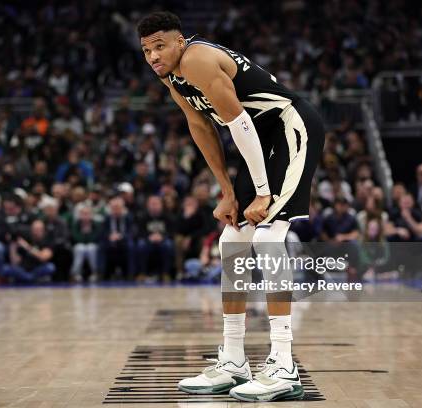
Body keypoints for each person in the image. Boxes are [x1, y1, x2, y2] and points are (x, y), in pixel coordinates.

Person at [137, 11, 324, 401]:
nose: (153, 56)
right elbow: (201, 128)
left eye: (159, 46)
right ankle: (235, 359)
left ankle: (284, 364)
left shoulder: (197, 60)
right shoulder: (174, 80)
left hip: (289, 126)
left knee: (270, 237)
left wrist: (259, 192)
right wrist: (227, 192)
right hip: (258, 141)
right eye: (146, 50)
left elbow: (238, 122)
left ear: (179, 41)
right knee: (233, 241)